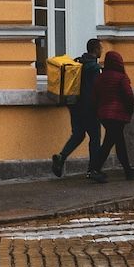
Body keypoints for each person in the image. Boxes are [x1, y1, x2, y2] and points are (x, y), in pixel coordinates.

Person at [51, 38, 103, 177]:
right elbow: (96, 90)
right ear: (96, 50)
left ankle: (61, 157)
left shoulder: (78, 62)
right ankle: (93, 170)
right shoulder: (94, 68)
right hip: (89, 109)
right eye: (101, 48)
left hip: (74, 106)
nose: (102, 51)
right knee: (95, 138)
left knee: (78, 135)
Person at [90, 48, 134, 181]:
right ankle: (95, 169)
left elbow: (94, 97)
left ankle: (127, 171)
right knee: (113, 143)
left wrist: (98, 111)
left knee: (113, 141)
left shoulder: (100, 77)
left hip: (104, 115)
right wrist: (129, 110)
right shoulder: (121, 78)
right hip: (118, 115)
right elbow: (128, 95)